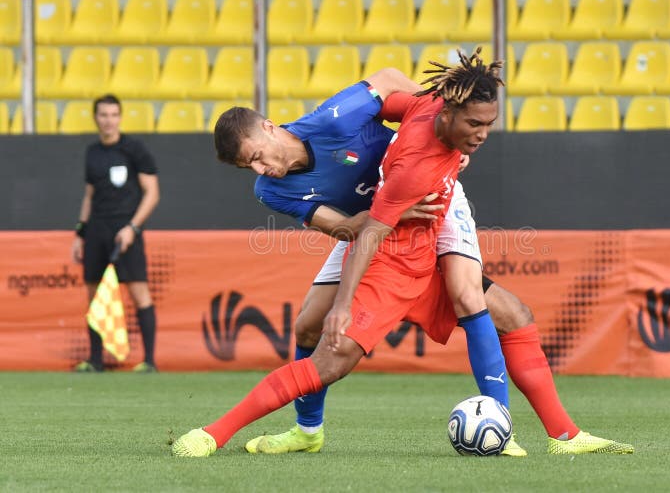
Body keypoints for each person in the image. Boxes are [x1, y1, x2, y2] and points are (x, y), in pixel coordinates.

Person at [172, 51, 632, 457]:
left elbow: (392, 81)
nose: (259, 169)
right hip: (383, 223)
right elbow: (351, 229)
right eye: (246, 167)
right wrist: (407, 192)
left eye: (256, 155)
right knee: (309, 323)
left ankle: (520, 430)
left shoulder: (334, 119)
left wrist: (448, 127)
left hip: (433, 201)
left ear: (270, 128)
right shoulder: (269, 191)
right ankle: (307, 430)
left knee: (468, 294)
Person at [71, 94, 160, 373]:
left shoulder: (134, 149)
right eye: (103, 115)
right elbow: (89, 195)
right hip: (97, 229)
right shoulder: (92, 152)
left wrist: (133, 227)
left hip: (125, 230)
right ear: (95, 118)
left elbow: (152, 193)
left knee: (139, 292)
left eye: (113, 115)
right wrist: (80, 232)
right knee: (94, 294)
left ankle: (149, 361)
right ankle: (96, 361)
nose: (108, 120)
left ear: (119, 117)